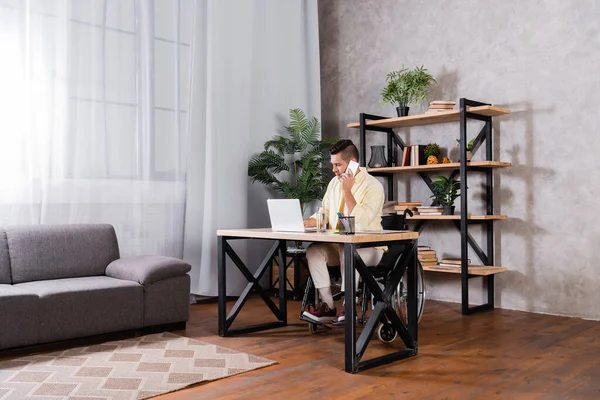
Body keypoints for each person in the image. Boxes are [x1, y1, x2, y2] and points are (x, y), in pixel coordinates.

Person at [302, 139, 385, 323]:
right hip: (340, 245)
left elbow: (360, 224)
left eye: (338, 165)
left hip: (370, 248)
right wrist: (302, 223)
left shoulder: (373, 186)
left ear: (353, 162)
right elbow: (323, 214)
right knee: (314, 251)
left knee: (346, 250)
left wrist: (347, 191)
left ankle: (349, 307)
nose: (334, 170)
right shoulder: (333, 183)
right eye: (333, 165)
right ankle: (329, 307)